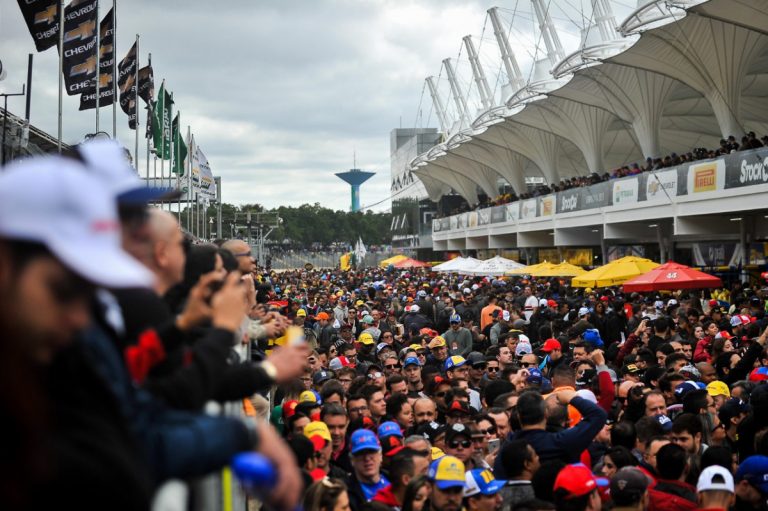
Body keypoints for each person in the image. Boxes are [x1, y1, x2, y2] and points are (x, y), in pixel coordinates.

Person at [494, 388, 607, 477]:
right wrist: (572, 398)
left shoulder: (506, 448)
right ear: (546, 414)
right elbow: (598, 415)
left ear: (518, 417)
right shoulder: (560, 442)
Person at [347, 429, 389, 509]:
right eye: (360, 453)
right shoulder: (345, 493)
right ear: (352, 460)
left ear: (380, 455)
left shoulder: (395, 480)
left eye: (371, 451)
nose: (367, 458)